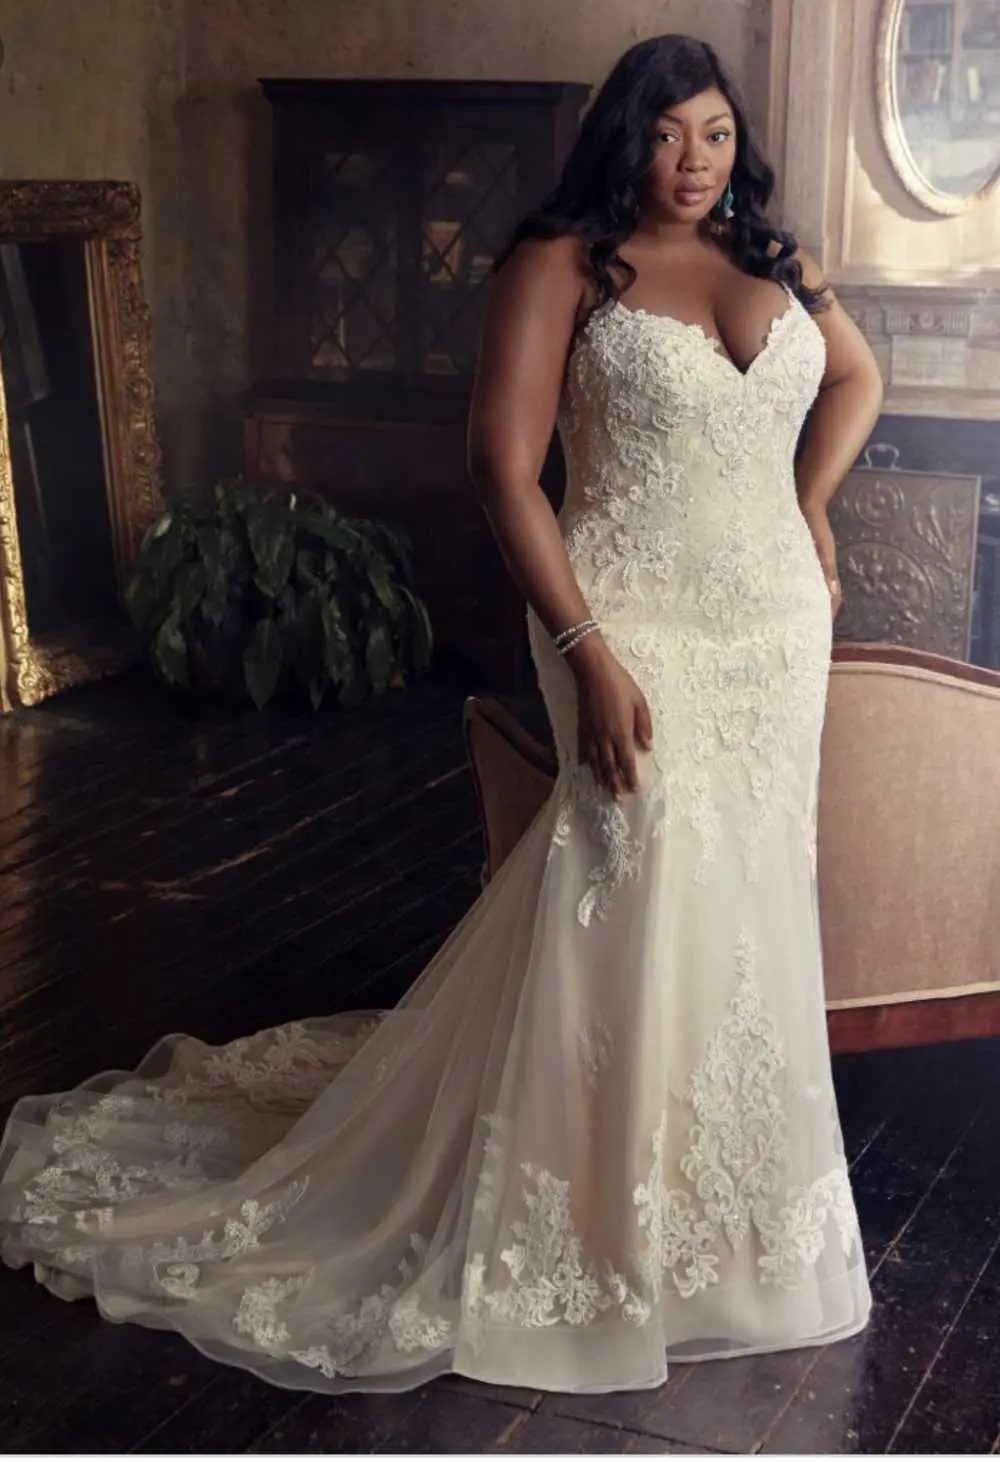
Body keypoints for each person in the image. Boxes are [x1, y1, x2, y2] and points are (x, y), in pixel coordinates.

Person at [0, 35, 883, 1396]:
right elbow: (501, 467)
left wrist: (809, 503)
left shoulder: (782, 255)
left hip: (772, 626)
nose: (695, 162)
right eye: (668, 135)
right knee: (630, 874)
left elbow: (857, 380)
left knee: (746, 890)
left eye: (714, 133)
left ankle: (724, 1210)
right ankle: (587, 1209)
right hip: (625, 611)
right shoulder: (559, 266)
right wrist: (585, 648)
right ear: (622, 141)